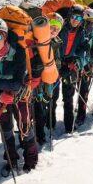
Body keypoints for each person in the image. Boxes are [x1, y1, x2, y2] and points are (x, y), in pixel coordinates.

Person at [0, 18, 39, 172]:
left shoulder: (18, 52)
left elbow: (17, 82)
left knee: (24, 126)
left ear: (5, 36)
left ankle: (31, 160)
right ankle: (11, 159)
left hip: (20, 94)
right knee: (5, 127)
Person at [33, 13, 63, 146]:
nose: (54, 30)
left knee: (52, 102)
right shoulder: (36, 42)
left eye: (57, 28)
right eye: (52, 27)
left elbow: (58, 60)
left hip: (53, 78)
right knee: (38, 107)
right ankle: (40, 135)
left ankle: (51, 125)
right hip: (38, 80)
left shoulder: (57, 42)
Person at [57, 4, 88, 133]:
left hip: (70, 65)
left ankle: (69, 127)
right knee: (52, 96)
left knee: (68, 97)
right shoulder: (60, 28)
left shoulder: (81, 32)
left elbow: (82, 49)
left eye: (79, 18)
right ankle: (48, 123)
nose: (76, 20)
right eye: (74, 17)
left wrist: (76, 57)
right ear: (69, 17)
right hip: (56, 64)